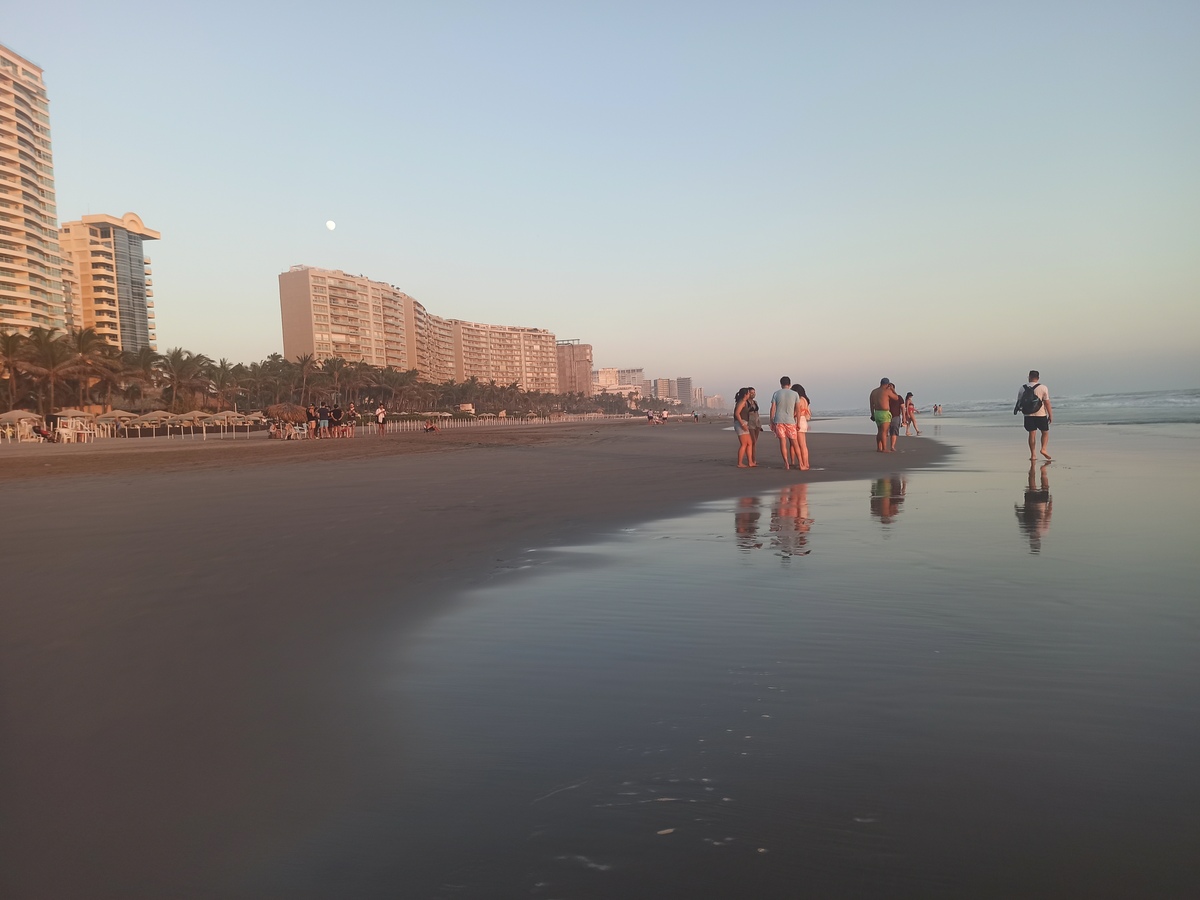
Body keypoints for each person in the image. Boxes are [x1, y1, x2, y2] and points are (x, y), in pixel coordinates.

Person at [1015, 461, 1053, 553]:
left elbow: (1048, 515)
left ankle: (1043, 470)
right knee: (1032, 484)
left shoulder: (1043, 530)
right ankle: (1033, 467)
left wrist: (1050, 503)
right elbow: (1019, 514)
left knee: (1045, 486)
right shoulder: (1027, 529)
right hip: (1031, 502)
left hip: (1041, 502)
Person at [1014, 370, 1052, 460]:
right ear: (1038, 378)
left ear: (1029, 377)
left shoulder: (1022, 388)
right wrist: (1050, 414)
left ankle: (1033, 455)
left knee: (1032, 433)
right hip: (1041, 414)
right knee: (1045, 432)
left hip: (1028, 415)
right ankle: (1043, 449)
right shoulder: (1043, 388)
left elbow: (1019, 401)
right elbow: (1047, 403)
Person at [769, 376, 803, 470]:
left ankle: (786, 463)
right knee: (794, 442)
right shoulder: (795, 394)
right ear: (789, 384)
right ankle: (800, 463)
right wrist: (798, 422)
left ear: (781, 384)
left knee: (782, 442)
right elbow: (798, 410)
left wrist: (771, 420)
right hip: (790, 420)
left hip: (779, 420)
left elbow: (772, 408)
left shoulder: (776, 393)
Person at [868, 378, 901, 452]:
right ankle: (884, 448)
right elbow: (896, 398)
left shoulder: (873, 392)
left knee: (879, 431)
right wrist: (892, 389)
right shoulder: (887, 391)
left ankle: (879, 447)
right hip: (884, 412)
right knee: (884, 431)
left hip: (877, 412)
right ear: (887, 384)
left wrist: (872, 414)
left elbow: (871, 404)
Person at [789, 384, 812, 470]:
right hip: (803, 421)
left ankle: (803, 463)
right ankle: (806, 462)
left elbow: (796, 412)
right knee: (803, 445)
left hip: (798, 421)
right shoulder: (805, 400)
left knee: (800, 444)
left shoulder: (799, 400)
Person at [733, 388, 755, 468]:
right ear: (745, 394)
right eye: (749, 393)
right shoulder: (742, 402)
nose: (749, 395)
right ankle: (740, 463)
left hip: (743, 423)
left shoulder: (745, 402)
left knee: (749, 443)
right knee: (744, 444)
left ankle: (750, 462)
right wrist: (742, 424)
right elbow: (737, 413)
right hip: (740, 423)